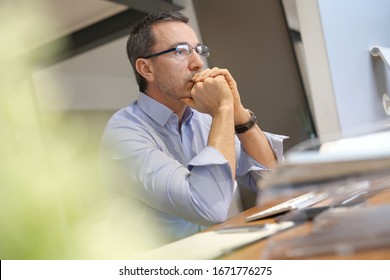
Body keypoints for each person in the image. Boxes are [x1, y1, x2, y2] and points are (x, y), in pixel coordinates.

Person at [99, 10, 287, 250]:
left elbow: (274, 184)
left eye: (198, 50)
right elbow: (208, 207)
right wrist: (222, 111)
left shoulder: (203, 119)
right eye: (180, 51)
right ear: (146, 69)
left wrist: (237, 113)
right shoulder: (124, 133)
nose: (198, 63)